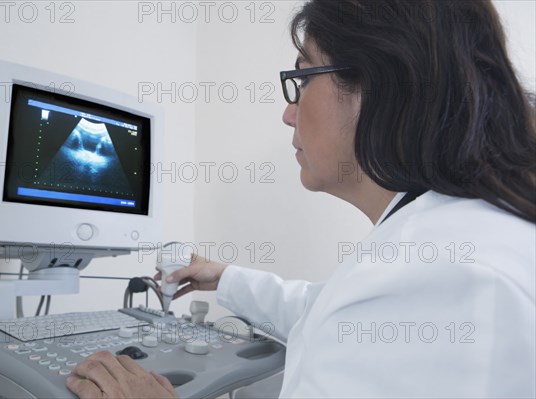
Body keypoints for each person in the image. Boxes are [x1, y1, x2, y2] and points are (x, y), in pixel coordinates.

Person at [66, 0, 536, 397]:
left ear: (383, 85)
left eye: (303, 79)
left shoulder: (444, 279)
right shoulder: (452, 239)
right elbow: (332, 311)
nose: (289, 114)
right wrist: (225, 277)